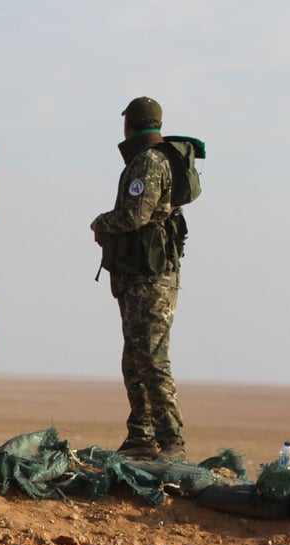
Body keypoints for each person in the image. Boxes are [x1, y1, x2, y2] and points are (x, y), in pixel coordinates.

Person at [91, 97, 186, 460]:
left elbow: (133, 217)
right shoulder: (156, 159)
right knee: (135, 357)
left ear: (130, 125)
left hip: (149, 279)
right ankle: (141, 437)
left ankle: (171, 439)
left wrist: (99, 224)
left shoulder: (148, 162)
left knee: (152, 358)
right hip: (141, 275)